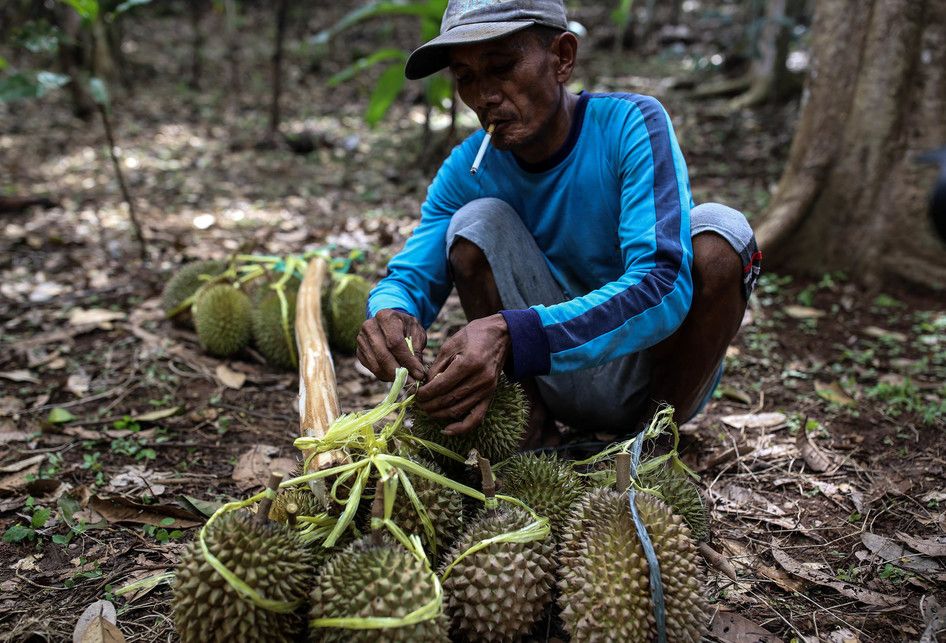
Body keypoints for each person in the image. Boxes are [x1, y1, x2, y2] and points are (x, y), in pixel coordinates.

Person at [356, 0, 761, 448]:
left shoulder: (630, 125)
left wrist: (516, 332)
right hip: (544, 377)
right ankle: (533, 435)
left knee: (723, 235)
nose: (485, 96)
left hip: (649, 372)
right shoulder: (466, 170)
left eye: (502, 67)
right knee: (475, 221)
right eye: (466, 77)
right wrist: (388, 313)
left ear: (562, 58)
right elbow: (411, 276)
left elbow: (661, 284)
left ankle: (652, 443)